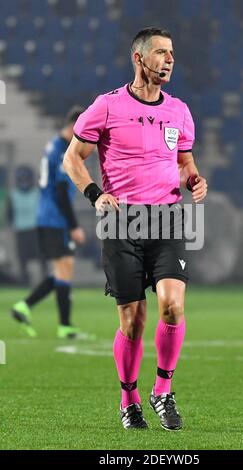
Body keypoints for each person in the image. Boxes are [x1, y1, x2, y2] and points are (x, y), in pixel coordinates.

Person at [64, 27, 208, 430]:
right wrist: (95, 194)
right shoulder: (106, 106)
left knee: (173, 307)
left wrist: (195, 178)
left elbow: (184, 163)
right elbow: (72, 158)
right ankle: (129, 400)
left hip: (166, 217)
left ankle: (162, 391)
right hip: (121, 220)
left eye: (172, 53)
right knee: (132, 320)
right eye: (161, 52)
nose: (169, 59)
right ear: (139, 58)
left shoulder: (179, 110)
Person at [11, 106, 88, 339]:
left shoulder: (54, 145)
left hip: (50, 217)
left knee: (64, 270)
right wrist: (74, 225)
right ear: (75, 126)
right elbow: (62, 191)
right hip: (54, 219)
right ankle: (61, 324)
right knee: (64, 269)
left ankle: (28, 308)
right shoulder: (62, 150)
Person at [6, 165, 47, 284]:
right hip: (21, 231)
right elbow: (9, 214)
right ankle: (24, 279)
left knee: (41, 256)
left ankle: (44, 279)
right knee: (22, 258)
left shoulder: (37, 193)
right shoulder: (13, 196)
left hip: (36, 230)